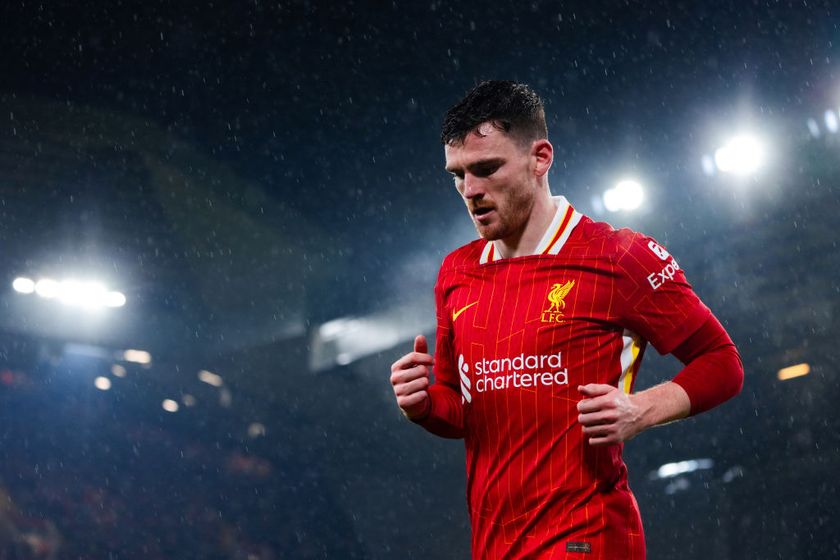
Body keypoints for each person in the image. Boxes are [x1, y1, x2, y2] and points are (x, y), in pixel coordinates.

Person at [389, 80, 744, 559]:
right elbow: (461, 409)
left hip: (588, 537)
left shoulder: (619, 257)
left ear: (540, 158)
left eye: (486, 169)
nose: (469, 190)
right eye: (457, 175)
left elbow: (722, 362)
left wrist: (641, 410)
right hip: (496, 545)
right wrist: (424, 404)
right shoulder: (457, 272)